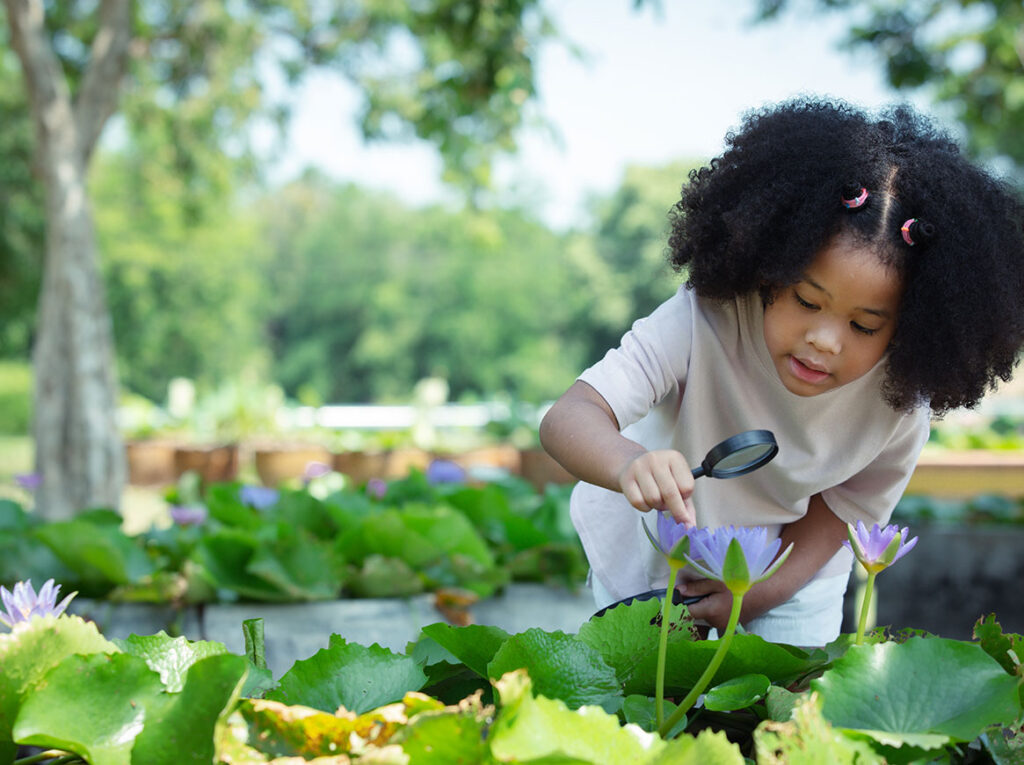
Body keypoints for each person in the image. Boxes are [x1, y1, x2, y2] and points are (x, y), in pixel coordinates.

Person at [539, 98, 1024, 646]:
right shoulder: (704, 319)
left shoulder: (899, 402)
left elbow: (844, 509)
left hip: (793, 572)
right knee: (641, 702)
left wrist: (760, 593)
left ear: (912, 329)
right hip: (653, 552)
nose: (824, 339)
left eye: (865, 326)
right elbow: (568, 417)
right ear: (769, 271)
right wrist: (629, 464)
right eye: (806, 301)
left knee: (780, 717)